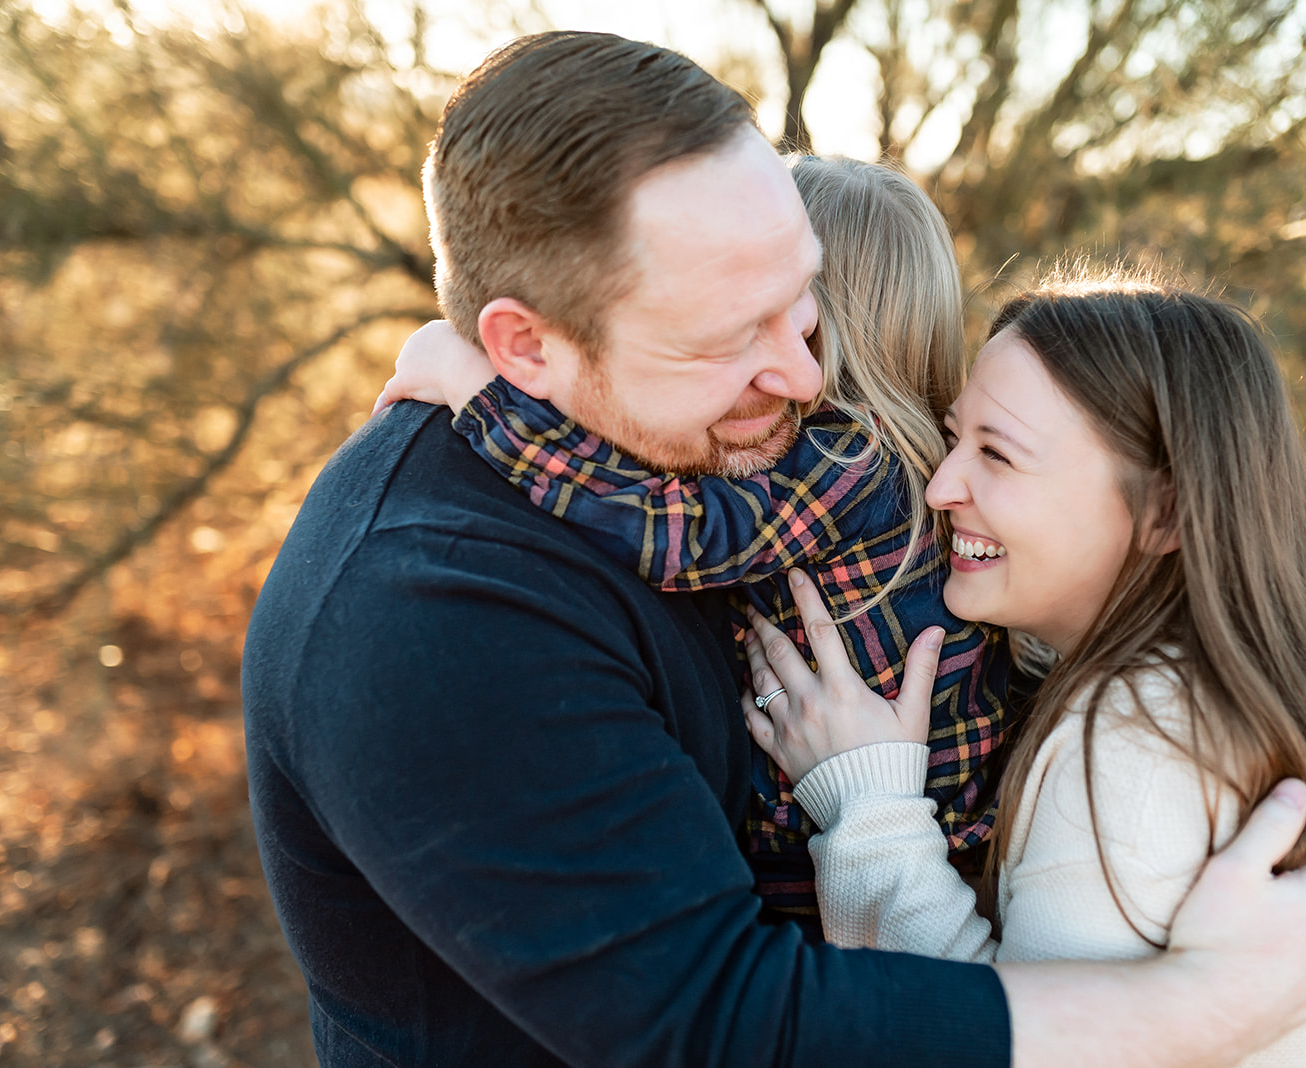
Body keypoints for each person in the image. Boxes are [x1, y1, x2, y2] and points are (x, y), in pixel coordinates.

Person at [243, 31, 1306, 1068]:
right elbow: (721, 1028)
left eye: (804, 305)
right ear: (524, 349)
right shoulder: (433, 609)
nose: (803, 377)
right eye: (730, 338)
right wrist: (1210, 1008)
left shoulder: (724, 453)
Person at [742, 270, 1306, 1066]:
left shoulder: (1144, 736)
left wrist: (867, 807)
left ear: (1165, 511)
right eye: (953, 440)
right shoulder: (1285, 690)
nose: (942, 487)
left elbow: (1025, 1048)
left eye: (999, 455)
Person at [371, 155, 1016, 930]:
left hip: (840, 869)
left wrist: (478, 389)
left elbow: (668, 534)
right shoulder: (893, 458)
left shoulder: (855, 461)